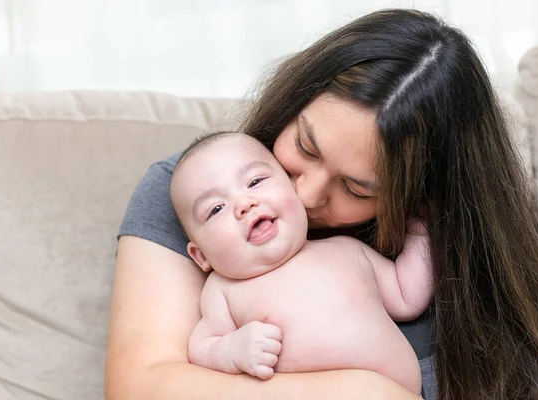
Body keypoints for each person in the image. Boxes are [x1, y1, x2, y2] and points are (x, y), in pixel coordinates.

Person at [105, 8, 538, 400]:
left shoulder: (429, 258)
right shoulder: (193, 192)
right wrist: (362, 392)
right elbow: (140, 385)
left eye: (357, 189)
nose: (305, 196)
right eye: (305, 148)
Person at [170, 132, 433, 395]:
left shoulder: (347, 250)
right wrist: (233, 350)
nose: (244, 203)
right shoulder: (224, 289)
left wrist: (421, 231)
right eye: (216, 208)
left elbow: (405, 295)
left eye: (255, 181)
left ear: (294, 188)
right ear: (201, 255)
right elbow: (201, 346)